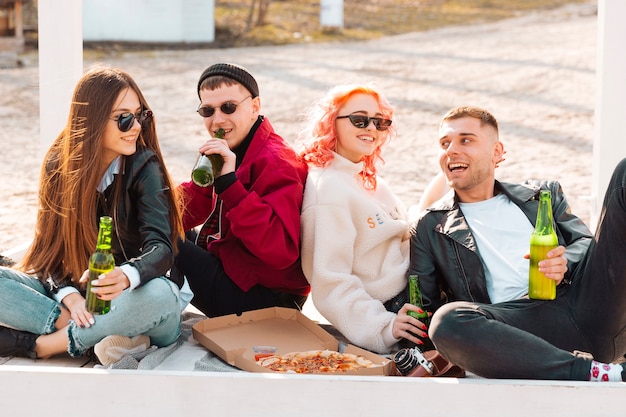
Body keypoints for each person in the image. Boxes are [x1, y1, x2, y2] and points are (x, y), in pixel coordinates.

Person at [410, 105, 626, 381]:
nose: (451, 150)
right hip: (521, 330)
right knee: (446, 321)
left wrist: (564, 263)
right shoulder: (430, 225)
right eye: (444, 143)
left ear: (497, 152)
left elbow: (585, 242)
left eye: (465, 140)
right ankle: (597, 373)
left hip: (589, 303)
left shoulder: (542, 194)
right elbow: (423, 305)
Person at [0, 66, 186, 366]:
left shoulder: (144, 166)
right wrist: (71, 299)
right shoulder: (58, 166)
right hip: (83, 300)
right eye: (124, 118)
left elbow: (161, 248)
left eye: (141, 115)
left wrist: (125, 277)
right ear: (93, 119)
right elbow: (49, 255)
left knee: (160, 297)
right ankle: (115, 338)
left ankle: (46, 344)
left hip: (140, 299)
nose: (136, 126)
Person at [297, 84, 430, 354]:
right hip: (395, 305)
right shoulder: (329, 190)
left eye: (380, 122)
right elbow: (330, 282)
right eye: (360, 120)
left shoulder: (366, 180)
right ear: (331, 123)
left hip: (419, 281)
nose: (371, 128)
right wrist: (384, 326)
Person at [173, 63, 309, 317]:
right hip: (235, 272)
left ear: (255, 107)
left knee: (164, 239)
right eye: (207, 110)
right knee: (155, 224)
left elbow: (281, 252)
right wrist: (143, 202)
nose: (218, 120)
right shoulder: (231, 146)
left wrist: (230, 186)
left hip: (268, 300)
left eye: (229, 107)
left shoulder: (278, 162)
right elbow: (192, 204)